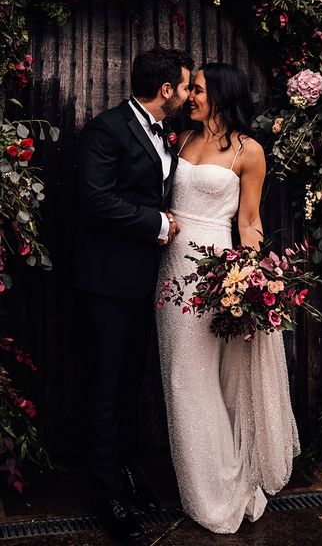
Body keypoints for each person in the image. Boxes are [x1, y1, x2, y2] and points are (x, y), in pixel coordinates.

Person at [156, 62, 300, 534]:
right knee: (181, 377)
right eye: (189, 88)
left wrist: (252, 279)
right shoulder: (180, 141)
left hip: (217, 272)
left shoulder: (249, 150)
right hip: (173, 271)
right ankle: (208, 486)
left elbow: (250, 220)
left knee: (204, 378)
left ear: (220, 93)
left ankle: (223, 489)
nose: (188, 96)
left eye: (196, 89)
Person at [73, 47, 193, 544]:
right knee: (104, 389)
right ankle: (106, 494)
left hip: (143, 282)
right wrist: (156, 222)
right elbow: (94, 198)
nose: (188, 95)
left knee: (126, 386)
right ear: (166, 90)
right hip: (104, 283)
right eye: (185, 87)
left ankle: (122, 472)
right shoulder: (107, 129)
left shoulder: (166, 132)